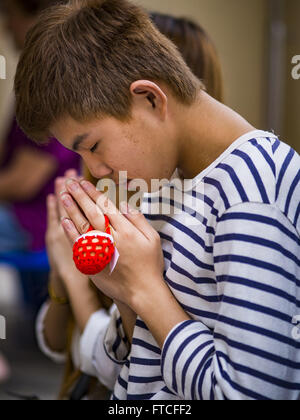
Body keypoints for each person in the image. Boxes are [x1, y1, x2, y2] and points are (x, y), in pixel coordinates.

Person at [15, 0, 300, 400]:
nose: (95, 170)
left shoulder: (254, 193)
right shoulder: (167, 186)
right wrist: (123, 289)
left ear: (150, 98)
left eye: (94, 146)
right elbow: (129, 365)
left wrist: (146, 288)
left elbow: (250, 393)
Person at [38, 12, 225, 400]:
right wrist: (65, 277)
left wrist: (85, 283)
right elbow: (63, 341)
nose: (96, 168)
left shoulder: (181, 196)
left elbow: (114, 363)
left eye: (93, 145)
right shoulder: (118, 180)